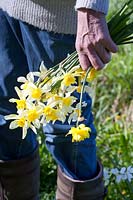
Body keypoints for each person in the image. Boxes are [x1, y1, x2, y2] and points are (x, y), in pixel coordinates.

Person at [0, 0, 118, 199]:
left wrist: (91, 7)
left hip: (57, 15)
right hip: (5, 7)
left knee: (65, 128)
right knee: (6, 111)